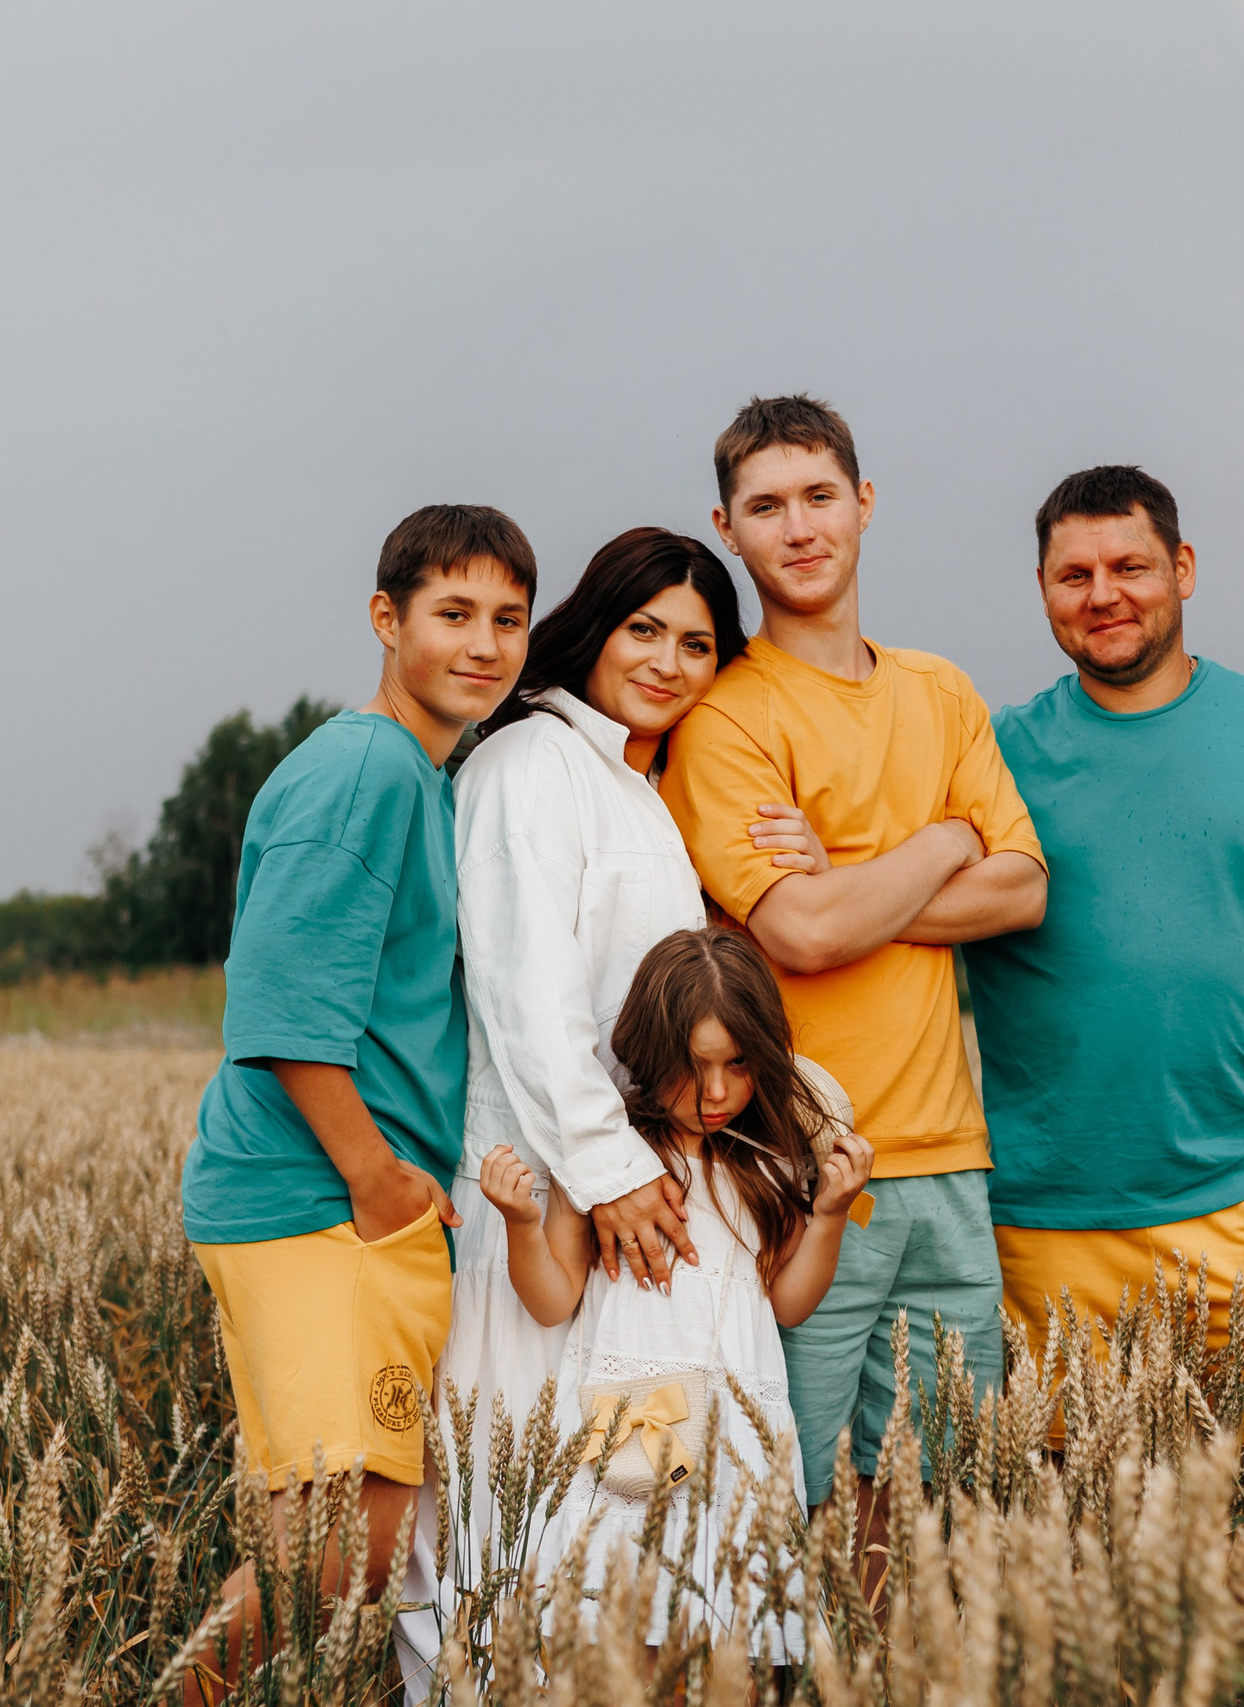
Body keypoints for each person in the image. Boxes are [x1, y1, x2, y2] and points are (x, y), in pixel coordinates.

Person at [657, 395, 1046, 1537]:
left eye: (819, 496)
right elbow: (801, 936)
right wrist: (939, 842)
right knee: (796, 1496)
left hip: (948, 1171)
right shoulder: (724, 718)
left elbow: (1024, 892)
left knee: (934, 1497)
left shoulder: (939, 690)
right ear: (726, 527)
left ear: (864, 505)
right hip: (792, 1170)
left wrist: (853, 883)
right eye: (766, 506)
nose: (799, 527)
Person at [175, 505, 534, 1706]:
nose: (482, 645)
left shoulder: (420, 773)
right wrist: (376, 1180)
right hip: (316, 1201)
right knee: (339, 1544)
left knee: (354, 1532)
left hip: (340, 1209)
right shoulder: (369, 767)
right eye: (452, 615)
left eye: (506, 620)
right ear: (386, 620)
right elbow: (278, 1009)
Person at [962, 465, 1244, 1383]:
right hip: (1042, 1212)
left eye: (1130, 565)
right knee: (1060, 1511)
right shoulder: (991, 750)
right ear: (1044, 591)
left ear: (1184, 568)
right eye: (1073, 575)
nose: (1103, 595)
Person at [439, 526, 801, 1602]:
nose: (665, 661)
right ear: (595, 629)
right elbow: (529, 993)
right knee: (507, 1522)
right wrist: (611, 1172)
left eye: (696, 644)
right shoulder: (527, 762)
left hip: (618, 1197)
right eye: (644, 629)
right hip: (541, 1185)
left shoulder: (636, 786)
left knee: (602, 1535)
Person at [477, 927, 875, 1660]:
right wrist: (521, 1224)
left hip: (741, 1432)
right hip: (644, 1406)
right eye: (694, 1068)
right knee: (635, 1631)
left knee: (737, 1642)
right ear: (650, 1053)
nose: (717, 1091)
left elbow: (787, 1303)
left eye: (739, 1063)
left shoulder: (770, 1164)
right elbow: (551, 1299)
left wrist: (830, 1214)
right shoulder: (607, 1163)